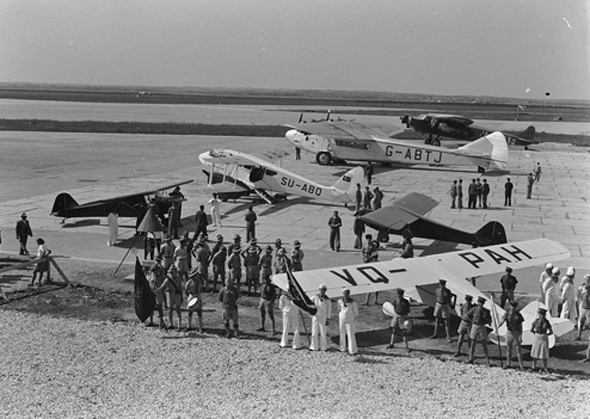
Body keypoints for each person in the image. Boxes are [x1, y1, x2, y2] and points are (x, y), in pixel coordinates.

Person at [498, 301, 525, 369]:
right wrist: (498, 325)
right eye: (511, 306)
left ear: (515, 307)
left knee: (518, 350)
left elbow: (521, 326)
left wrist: (520, 335)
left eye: (514, 306)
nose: (512, 308)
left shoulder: (519, 315)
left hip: (516, 332)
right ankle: (508, 363)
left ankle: (521, 365)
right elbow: (502, 321)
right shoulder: (507, 314)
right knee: (508, 349)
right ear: (510, 306)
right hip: (509, 332)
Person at [466, 296, 492, 365]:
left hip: (482, 326)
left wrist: (489, 322)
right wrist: (472, 321)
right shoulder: (474, 309)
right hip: (475, 325)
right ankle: (470, 358)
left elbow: (489, 319)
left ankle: (487, 359)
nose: (481, 304)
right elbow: (468, 315)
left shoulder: (486, 311)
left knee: (484, 343)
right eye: (480, 302)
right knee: (473, 343)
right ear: (478, 302)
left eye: (482, 303)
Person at [310, 284, 332, 351]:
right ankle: (314, 347)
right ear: (319, 290)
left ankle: (323, 347)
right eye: (322, 289)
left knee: (323, 332)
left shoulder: (327, 300)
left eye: (324, 290)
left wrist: (328, 318)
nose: (323, 291)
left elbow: (329, 310)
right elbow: (308, 302)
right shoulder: (315, 297)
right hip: (316, 316)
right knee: (314, 332)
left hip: (323, 317)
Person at [530, 308, 553, 373]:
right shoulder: (536, 321)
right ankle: (533, 366)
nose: (542, 316)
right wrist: (536, 334)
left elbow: (551, 331)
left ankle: (545, 367)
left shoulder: (546, 322)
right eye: (541, 314)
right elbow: (531, 329)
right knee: (535, 352)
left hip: (543, 337)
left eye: (543, 314)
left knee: (544, 353)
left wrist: (546, 335)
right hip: (538, 336)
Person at [147, 256, 166, 328]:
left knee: (160, 307)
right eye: (154, 270)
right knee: (151, 307)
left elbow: (163, 285)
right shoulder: (150, 277)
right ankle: (151, 321)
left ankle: (161, 321)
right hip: (152, 292)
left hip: (158, 292)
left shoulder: (160, 277)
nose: (155, 272)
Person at [338, 288, 359, 355]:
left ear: (349, 294)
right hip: (342, 320)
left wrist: (350, 317)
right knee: (342, 333)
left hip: (350, 321)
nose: (346, 295)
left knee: (351, 335)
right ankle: (342, 348)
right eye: (345, 294)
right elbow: (339, 309)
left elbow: (356, 313)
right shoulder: (340, 301)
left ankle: (352, 350)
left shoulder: (353, 303)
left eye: (347, 293)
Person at [362, 234, 380, 305]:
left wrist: (368, 258)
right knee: (369, 284)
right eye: (367, 239)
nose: (368, 240)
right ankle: (367, 300)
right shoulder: (365, 245)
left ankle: (375, 300)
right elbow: (363, 252)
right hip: (368, 265)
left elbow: (375, 255)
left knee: (375, 283)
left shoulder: (373, 247)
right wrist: (364, 258)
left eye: (369, 239)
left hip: (373, 266)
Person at [576, 275, 590, 341]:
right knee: (581, 321)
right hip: (583, 307)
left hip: (588, 308)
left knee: (589, 323)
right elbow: (579, 295)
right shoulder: (582, 286)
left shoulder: (586, 287)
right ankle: (579, 336)